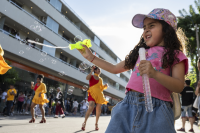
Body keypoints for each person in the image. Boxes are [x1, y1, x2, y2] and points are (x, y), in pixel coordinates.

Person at [78, 8, 188, 133]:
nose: (146, 30)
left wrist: (155, 74)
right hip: (127, 106)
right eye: (144, 27)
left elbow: (179, 86)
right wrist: (91, 57)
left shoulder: (175, 54)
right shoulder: (139, 53)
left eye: (151, 25)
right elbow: (114, 68)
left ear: (167, 30)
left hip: (158, 110)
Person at [80, 65, 108, 131]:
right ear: (95, 70)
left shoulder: (101, 79)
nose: (99, 70)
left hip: (99, 95)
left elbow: (100, 88)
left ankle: (96, 124)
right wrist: (91, 71)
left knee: (98, 109)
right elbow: (87, 78)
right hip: (92, 94)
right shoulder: (91, 76)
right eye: (98, 69)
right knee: (91, 107)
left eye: (100, 70)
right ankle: (84, 123)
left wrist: (104, 86)